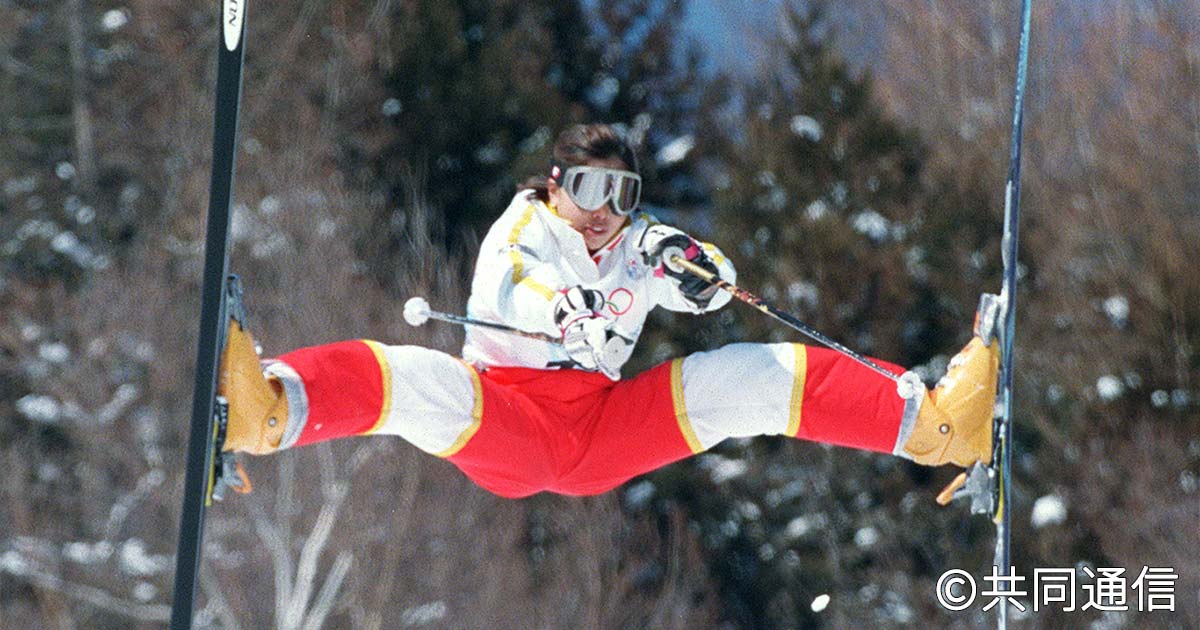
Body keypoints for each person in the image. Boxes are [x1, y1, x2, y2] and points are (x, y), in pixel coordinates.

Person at [217, 123, 998, 499]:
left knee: (747, 377)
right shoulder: (523, 229)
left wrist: (700, 274)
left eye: (621, 196)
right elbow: (519, 286)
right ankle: (268, 410)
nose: (602, 212)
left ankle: (933, 425)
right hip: (508, 418)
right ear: (554, 184)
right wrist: (570, 308)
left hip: (601, 429)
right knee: (409, 378)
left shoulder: (633, 240)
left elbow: (705, 274)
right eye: (587, 190)